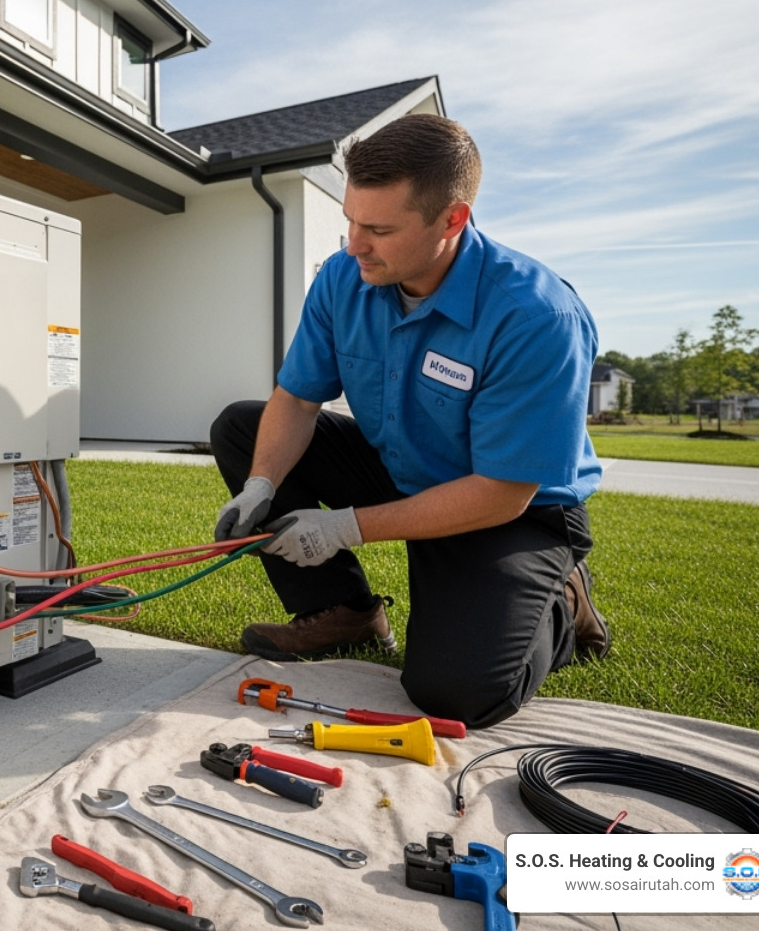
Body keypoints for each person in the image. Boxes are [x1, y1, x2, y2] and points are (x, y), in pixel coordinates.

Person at [210, 113, 606, 730]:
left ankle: (562, 598)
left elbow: (504, 490)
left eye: (378, 229)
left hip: (509, 508)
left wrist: (344, 527)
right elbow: (297, 397)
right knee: (243, 425)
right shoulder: (344, 277)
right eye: (349, 220)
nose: (354, 244)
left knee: (456, 693)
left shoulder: (536, 315)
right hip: (401, 467)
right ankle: (345, 611)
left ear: (452, 220)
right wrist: (261, 483)